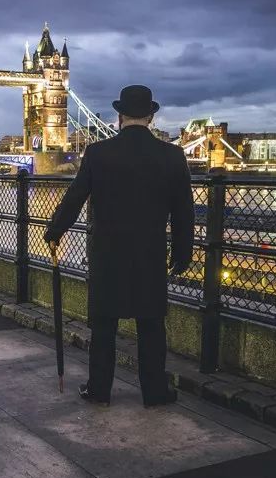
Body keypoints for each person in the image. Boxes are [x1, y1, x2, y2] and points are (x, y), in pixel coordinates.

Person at [44, 85, 195, 407]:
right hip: (150, 252)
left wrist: (55, 230)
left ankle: (99, 389)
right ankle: (154, 393)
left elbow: (75, 198)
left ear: (119, 116)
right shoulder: (172, 155)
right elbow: (184, 211)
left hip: (106, 253)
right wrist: (184, 252)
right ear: (151, 116)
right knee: (152, 325)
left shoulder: (98, 153)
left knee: (104, 325)